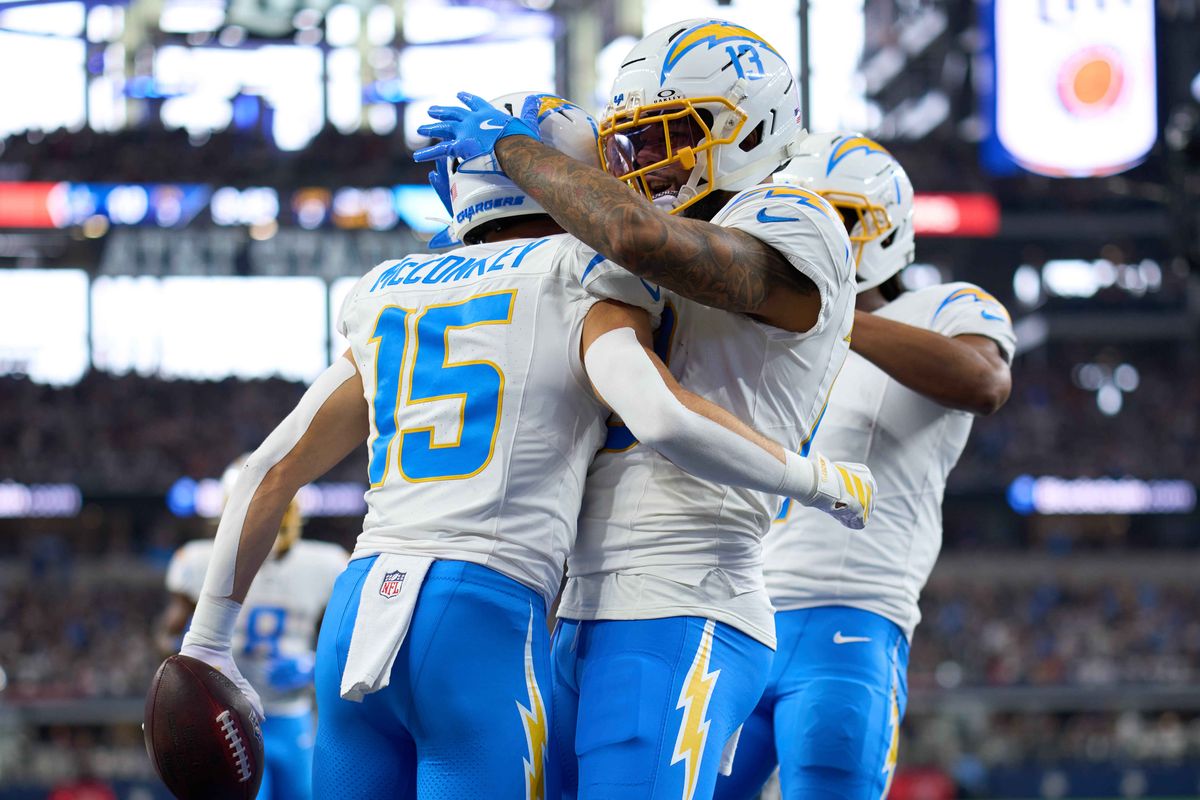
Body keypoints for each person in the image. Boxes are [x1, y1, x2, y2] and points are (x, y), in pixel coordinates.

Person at [171, 92, 873, 800]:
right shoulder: (579, 271)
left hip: (359, 604)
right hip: (483, 609)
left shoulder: (389, 288)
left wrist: (206, 641)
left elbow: (269, 468)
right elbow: (660, 418)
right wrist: (816, 480)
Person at [415, 20, 864, 800]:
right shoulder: (631, 238)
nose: (641, 166)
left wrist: (522, 155)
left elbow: (635, 233)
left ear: (749, 126)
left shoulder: (798, 217)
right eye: (626, 146)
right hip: (573, 598)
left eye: (666, 138)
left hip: (681, 590)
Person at [713, 132, 1015, 800]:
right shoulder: (766, 339)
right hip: (738, 615)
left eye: (838, 217)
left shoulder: (940, 309)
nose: (817, 234)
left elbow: (984, 382)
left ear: (883, 230)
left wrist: (830, 314)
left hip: (849, 618)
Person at [157, 458, 347, 800]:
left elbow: (342, 643)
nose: (269, 516)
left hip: (293, 715)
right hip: (228, 719)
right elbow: (164, 638)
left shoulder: (325, 564)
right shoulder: (201, 561)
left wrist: (312, 662)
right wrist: (190, 661)